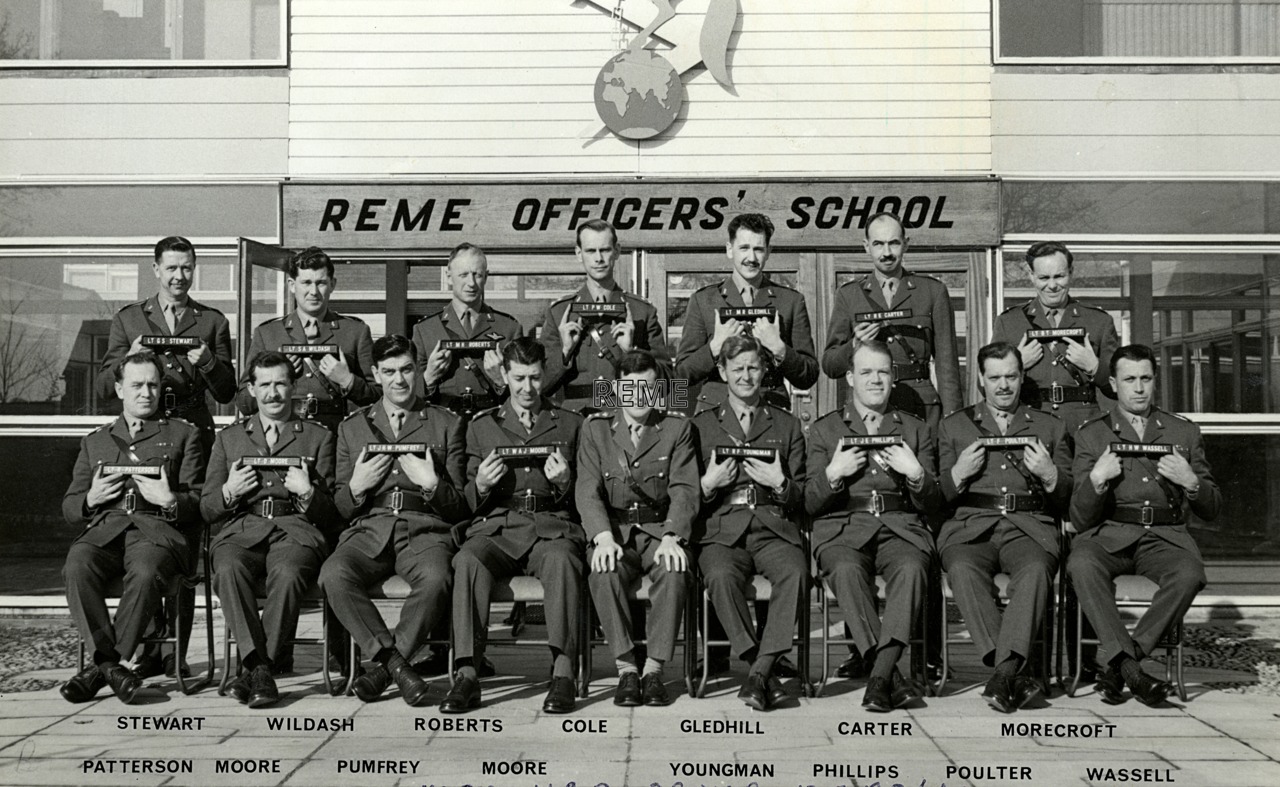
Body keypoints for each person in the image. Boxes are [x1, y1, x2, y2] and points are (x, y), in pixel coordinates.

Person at [94, 235, 236, 677]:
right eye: (172, 268)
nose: (179, 276)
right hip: (143, 441)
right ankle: (148, 650)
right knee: (145, 537)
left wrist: (211, 362)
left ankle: (175, 654)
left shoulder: (211, 321)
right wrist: (128, 360)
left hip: (191, 439)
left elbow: (229, 392)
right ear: (155, 269)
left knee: (184, 547)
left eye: (187, 268)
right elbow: (103, 390)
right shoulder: (130, 318)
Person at [318, 335, 468, 707]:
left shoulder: (446, 423)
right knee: (333, 574)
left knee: (437, 578)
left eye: (406, 370)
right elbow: (340, 505)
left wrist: (433, 485)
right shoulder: (353, 427)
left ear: (418, 370)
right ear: (374, 374)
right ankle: (395, 665)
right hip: (370, 527)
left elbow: (461, 506)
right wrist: (355, 487)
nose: (399, 380)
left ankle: (385, 669)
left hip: (424, 529)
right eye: (389, 372)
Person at [1068, 344, 1220, 706]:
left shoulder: (1182, 432)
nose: (1139, 388)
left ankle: (1122, 663)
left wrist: (1191, 482)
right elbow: (1079, 517)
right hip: (1110, 534)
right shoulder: (1093, 434)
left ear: (1155, 381)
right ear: (1113, 384)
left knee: (1189, 573)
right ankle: (1130, 667)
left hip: (1164, 537)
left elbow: (1213, 508)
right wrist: (1097, 481)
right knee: (1081, 563)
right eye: (1129, 379)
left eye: (1146, 379)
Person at [443, 337, 585, 715]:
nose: (527, 388)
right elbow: (465, 502)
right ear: (503, 375)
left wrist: (565, 482)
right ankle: (467, 673)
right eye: (519, 378)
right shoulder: (480, 427)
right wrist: (482, 486)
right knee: (468, 561)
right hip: (499, 527)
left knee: (562, 559)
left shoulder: (570, 424)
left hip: (549, 525)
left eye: (535, 378)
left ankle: (563, 672)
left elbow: (585, 498)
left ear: (545, 376)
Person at [59, 352, 205, 704]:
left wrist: (171, 500)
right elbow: (69, 507)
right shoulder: (96, 440)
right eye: (137, 385)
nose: (146, 393)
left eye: (153, 385)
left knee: (145, 571)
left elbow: (201, 500)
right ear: (119, 388)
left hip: (155, 532)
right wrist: (91, 498)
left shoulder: (184, 435)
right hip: (106, 531)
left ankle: (100, 668)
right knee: (76, 565)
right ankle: (112, 667)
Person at [805, 341, 942, 712]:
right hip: (844, 528)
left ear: (893, 377)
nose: (875, 380)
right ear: (850, 377)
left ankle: (880, 676)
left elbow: (933, 503)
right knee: (847, 570)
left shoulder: (915, 430)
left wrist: (915, 474)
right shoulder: (826, 430)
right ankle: (891, 676)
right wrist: (833, 475)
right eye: (866, 372)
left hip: (900, 527)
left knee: (914, 567)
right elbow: (808, 502)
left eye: (882, 371)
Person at [937, 341, 1071, 713]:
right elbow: (936, 499)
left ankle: (1003, 674)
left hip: (1028, 527)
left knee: (1035, 571)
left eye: (1011, 376)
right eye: (994, 378)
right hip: (971, 527)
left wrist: (1050, 475)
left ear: (1022, 376)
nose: (1003, 386)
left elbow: (1068, 500)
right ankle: (1014, 673)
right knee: (962, 570)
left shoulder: (1050, 426)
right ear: (980, 379)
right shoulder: (954, 426)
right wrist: (957, 475)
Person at [202, 352, 340, 707]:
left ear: (293, 387)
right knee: (228, 567)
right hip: (242, 529)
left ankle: (253, 670)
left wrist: (308, 493)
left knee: (290, 571)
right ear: (251, 389)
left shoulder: (317, 437)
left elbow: (334, 512)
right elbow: (206, 507)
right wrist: (229, 491)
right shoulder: (229, 439)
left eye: (280, 383)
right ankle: (262, 668)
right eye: (265, 385)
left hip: (296, 530)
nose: (273, 393)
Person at [693, 335, 807, 711]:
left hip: (773, 526)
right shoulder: (701, 425)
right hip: (723, 527)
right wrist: (708, 486)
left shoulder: (788, 424)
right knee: (721, 578)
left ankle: (758, 673)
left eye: (754, 368)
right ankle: (762, 668)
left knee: (795, 572)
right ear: (722, 372)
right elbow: (684, 492)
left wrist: (781, 484)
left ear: (765, 371)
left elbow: (803, 493)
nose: (746, 376)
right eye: (737, 369)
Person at [576, 350, 696, 707]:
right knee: (602, 571)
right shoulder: (596, 428)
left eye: (646, 388)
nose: (638, 398)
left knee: (674, 570)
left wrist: (674, 535)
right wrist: (601, 536)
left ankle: (655, 669)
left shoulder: (677, 427)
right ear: (616, 389)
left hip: (660, 529)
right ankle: (627, 668)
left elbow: (685, 489)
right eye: (629, 389)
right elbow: (587, 489)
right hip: (615, 530)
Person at [821, 212, 961, 433]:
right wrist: (854, 344)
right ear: (866, 246)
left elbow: (948, 367)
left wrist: (953, 424)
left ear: (906, 244)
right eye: (878, 244)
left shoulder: (932, 292)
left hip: (920, 407)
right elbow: (830, 365)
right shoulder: (849, 295)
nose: (886, 253)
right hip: (868, 408)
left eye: (893, 243)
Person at [675, 213, 819, 412]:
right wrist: (714, 347)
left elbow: (809, 376)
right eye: (744, 248)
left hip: (770, 411)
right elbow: (680, 375)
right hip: (715, 414)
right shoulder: (704, 301)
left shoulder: (790, 302)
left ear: (769, 251)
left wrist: (779, 349)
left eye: (758, 249)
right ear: (729, 249)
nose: (751, 258)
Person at [239, 246, 379, 432]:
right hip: (283, 435)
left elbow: (379, 396)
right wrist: (278, 376)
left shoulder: (355, 332)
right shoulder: (268, 334)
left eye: (320, 282)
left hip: (336, 434)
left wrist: (348, 381)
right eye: (306, 282)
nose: (313, 291)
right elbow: (244, 402)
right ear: (291, 285)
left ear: (332, 284)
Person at [540, 220, 671, 413]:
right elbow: (539, 385)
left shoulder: (641, 312)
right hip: (576, 420)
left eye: (605, 250)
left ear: (617, 251)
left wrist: (633, 353)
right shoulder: (560, 313)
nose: (598, 258)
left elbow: (667, 385)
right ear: (578, 254)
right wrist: (565, 353)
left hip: (625, 419)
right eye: (591, 251)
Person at [992, 241, 1120, 436]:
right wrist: (1016, 365)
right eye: (1044, 277)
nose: (1052, 285)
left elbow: (1121, 385)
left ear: (1071, 272)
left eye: (1059, 276)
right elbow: (985, 385)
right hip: (1030, 424)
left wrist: (1095, 368)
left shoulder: (1098, 321)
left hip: (1084, 429)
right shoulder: (1009, 322)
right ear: (1031, 276)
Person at [414, 243, 525, 420]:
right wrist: (429, 377)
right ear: (449, 277)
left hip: (493, 423)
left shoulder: (508, 328)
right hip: (443, 424)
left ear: (486, 277)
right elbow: (410, 394)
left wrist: (500, 380)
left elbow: (525, 390)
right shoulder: (425, 329)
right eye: (463, 275)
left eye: (477, 275)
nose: (471, 283)